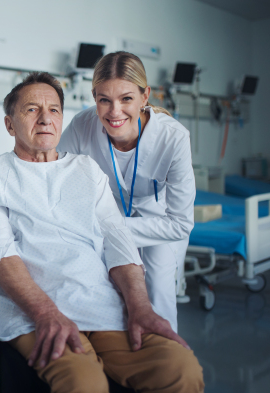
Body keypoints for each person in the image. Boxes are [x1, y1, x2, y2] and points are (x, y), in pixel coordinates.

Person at [0, 71, 204, 393]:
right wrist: (46, 314)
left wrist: (140, 305)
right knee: (84, 386)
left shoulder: (86, 169)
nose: (46, 118)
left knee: (179, 369)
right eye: (32, 109)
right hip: (31, 310)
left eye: (54, 110)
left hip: (98, 300)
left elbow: (118, 241)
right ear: (9, 124)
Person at [58, 52, 195, 332]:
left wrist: (105, 228)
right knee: (106, 285)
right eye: (104, 100)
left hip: (159, 218)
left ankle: (165, 363)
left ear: (145, 96)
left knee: (158, 288)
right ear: (94, 97)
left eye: (126, 99)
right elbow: (50, 177)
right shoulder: (82, 127)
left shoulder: (174, 138)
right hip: (106, 212)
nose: (114, 111)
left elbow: (180, 224)